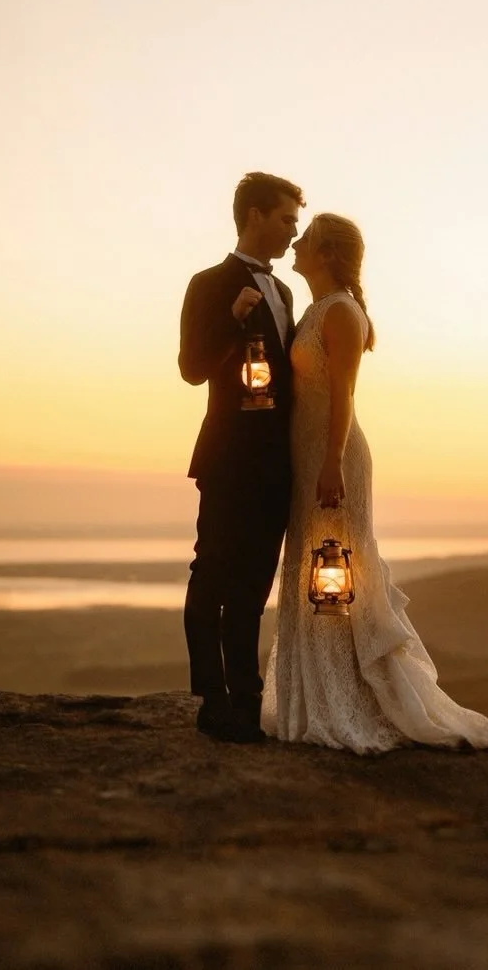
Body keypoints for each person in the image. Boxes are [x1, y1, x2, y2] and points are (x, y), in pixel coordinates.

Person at [262, 214, 488, 753]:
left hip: (335, 458)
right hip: (308, 459)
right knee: (312, 568)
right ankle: (314, 695)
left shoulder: (341, 313)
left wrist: (331, 461)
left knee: (336, 571)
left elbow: (343, 396)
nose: (296, 242)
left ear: (326, 252)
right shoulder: (313, 310)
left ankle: (350, 696)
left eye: (306, 238)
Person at [179, 171, 305, 742]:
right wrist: (231, 318)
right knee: (212, 576)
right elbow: (191, 369)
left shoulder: (284, 293)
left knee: (255, 585)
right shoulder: (207, 284)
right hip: (229, 459)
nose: (292, 233)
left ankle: (249, 700)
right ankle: (212, 699)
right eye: (285, 220)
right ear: (254, 216)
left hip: (277, 465)